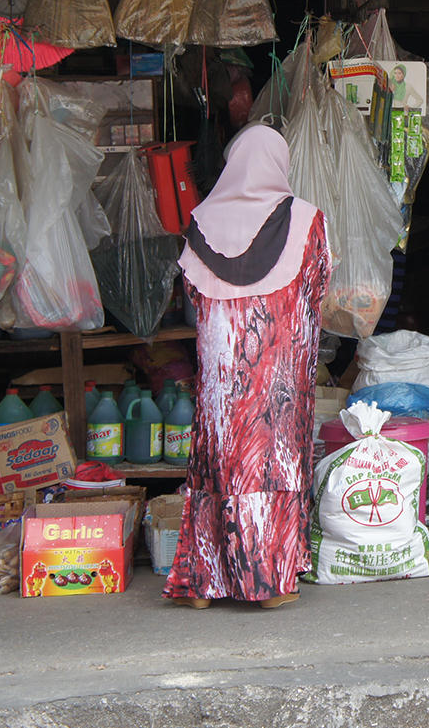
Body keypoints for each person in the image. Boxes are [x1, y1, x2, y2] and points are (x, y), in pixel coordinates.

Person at [164, 125, 330, 609]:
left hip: (221, 364)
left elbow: (192, 293)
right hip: (280, 361)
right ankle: (270, 582)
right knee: (271, 457)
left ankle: (204, 582)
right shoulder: (306, 218)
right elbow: (318, 284)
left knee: (217, 456)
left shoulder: (201, 220)